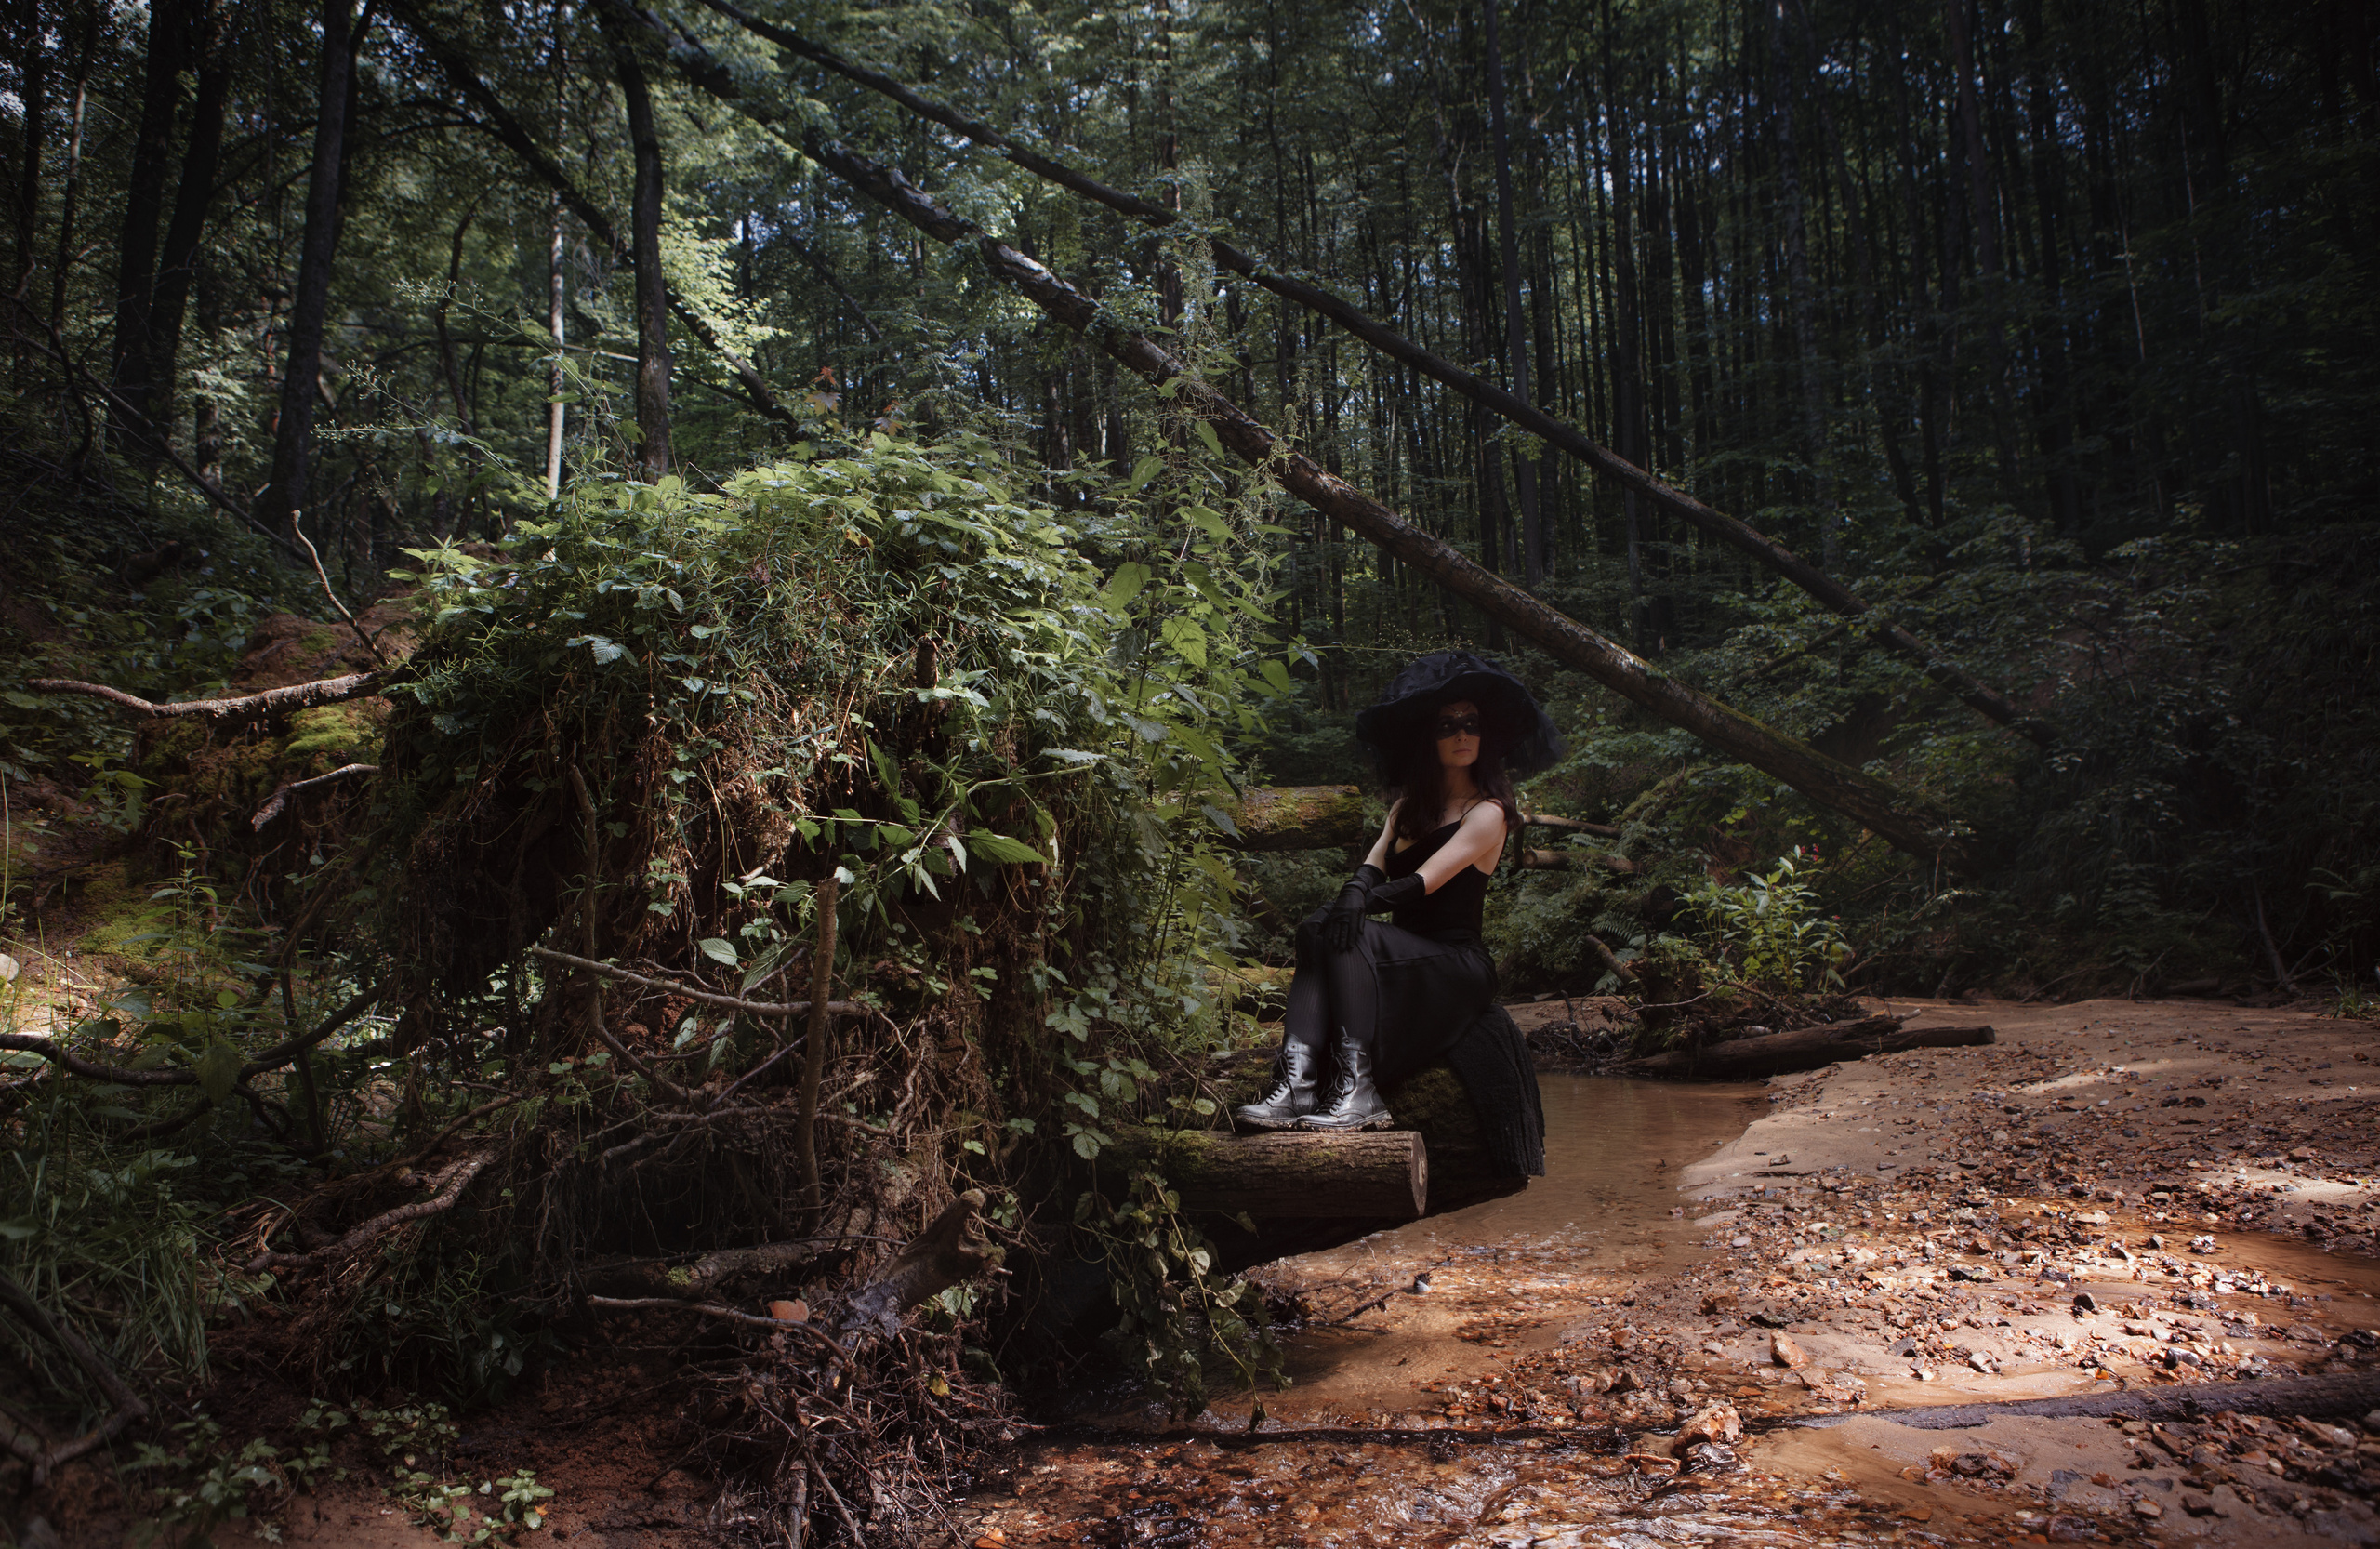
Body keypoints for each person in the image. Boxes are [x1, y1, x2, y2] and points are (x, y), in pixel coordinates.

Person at [1236, 651, 1564, 1133]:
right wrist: (1350, 895)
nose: (1462, 734)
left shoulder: (1488, 812)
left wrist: (1358, 903)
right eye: (1448, 725)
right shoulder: (1408, 808)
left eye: (1471, 724)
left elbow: (1419, 883)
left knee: (1351, 932)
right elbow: (1372, 868)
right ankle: (1297, 1085)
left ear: (1484, 733)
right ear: (1426, 738)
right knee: (1316, 928)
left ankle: (1359, 1092)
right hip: (1403, 952)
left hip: (1456, 962)